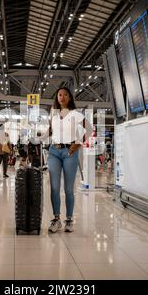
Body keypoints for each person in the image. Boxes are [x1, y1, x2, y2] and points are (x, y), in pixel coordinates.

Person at [43, 87, 87, 233]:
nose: (62, 97)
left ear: (70, 98)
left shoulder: (76, 114)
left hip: (69, 152)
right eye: (60, 94)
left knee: (68, 189)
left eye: (65, 95)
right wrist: (38, 138)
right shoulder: (54, 113)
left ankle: (69, 219)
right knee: (54, 187)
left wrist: (77, 144)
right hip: (54, 152)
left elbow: (91, 130)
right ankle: (56, 219)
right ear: (57, 97)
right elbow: (51, 131)